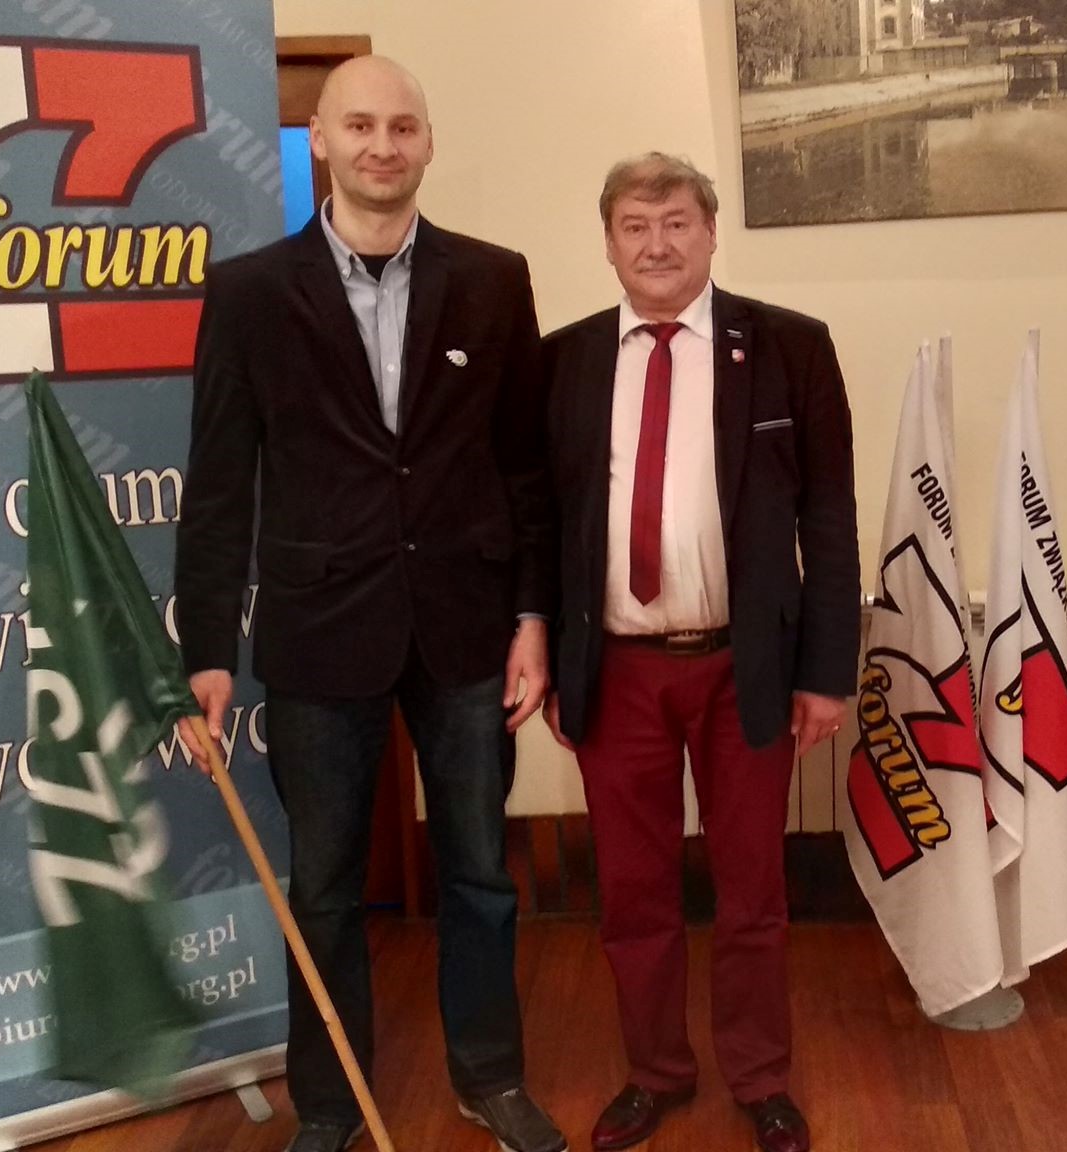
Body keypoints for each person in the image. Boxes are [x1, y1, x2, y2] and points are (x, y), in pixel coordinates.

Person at [174, 55, 565, 1152]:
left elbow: (524, 469)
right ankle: (331, 1104)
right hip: (317, 631)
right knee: (325, 888)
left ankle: (489, 1077)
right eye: (359, 125)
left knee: (479, 872)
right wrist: (205, 649)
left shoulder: (493, 279)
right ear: (320, 141)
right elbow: (219, 484)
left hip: (467, 630)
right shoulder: (250, 294)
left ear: (427, 142)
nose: (381, 146)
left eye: (401, 126)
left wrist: (533, 618)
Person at [541, 152, 860, 1152]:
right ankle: (655, 1073)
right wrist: (544, 653)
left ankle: (759, 1076)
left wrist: (826, 673)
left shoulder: (789, 346)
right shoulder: (563, 361)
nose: (657, 244)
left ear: (711, 232)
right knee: (632, 893)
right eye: (634, 226)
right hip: (616, 671)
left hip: (745, 670)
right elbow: (538, 522)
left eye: (676, 221)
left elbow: (829, 518)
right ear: (607, 243)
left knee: (751, 890)